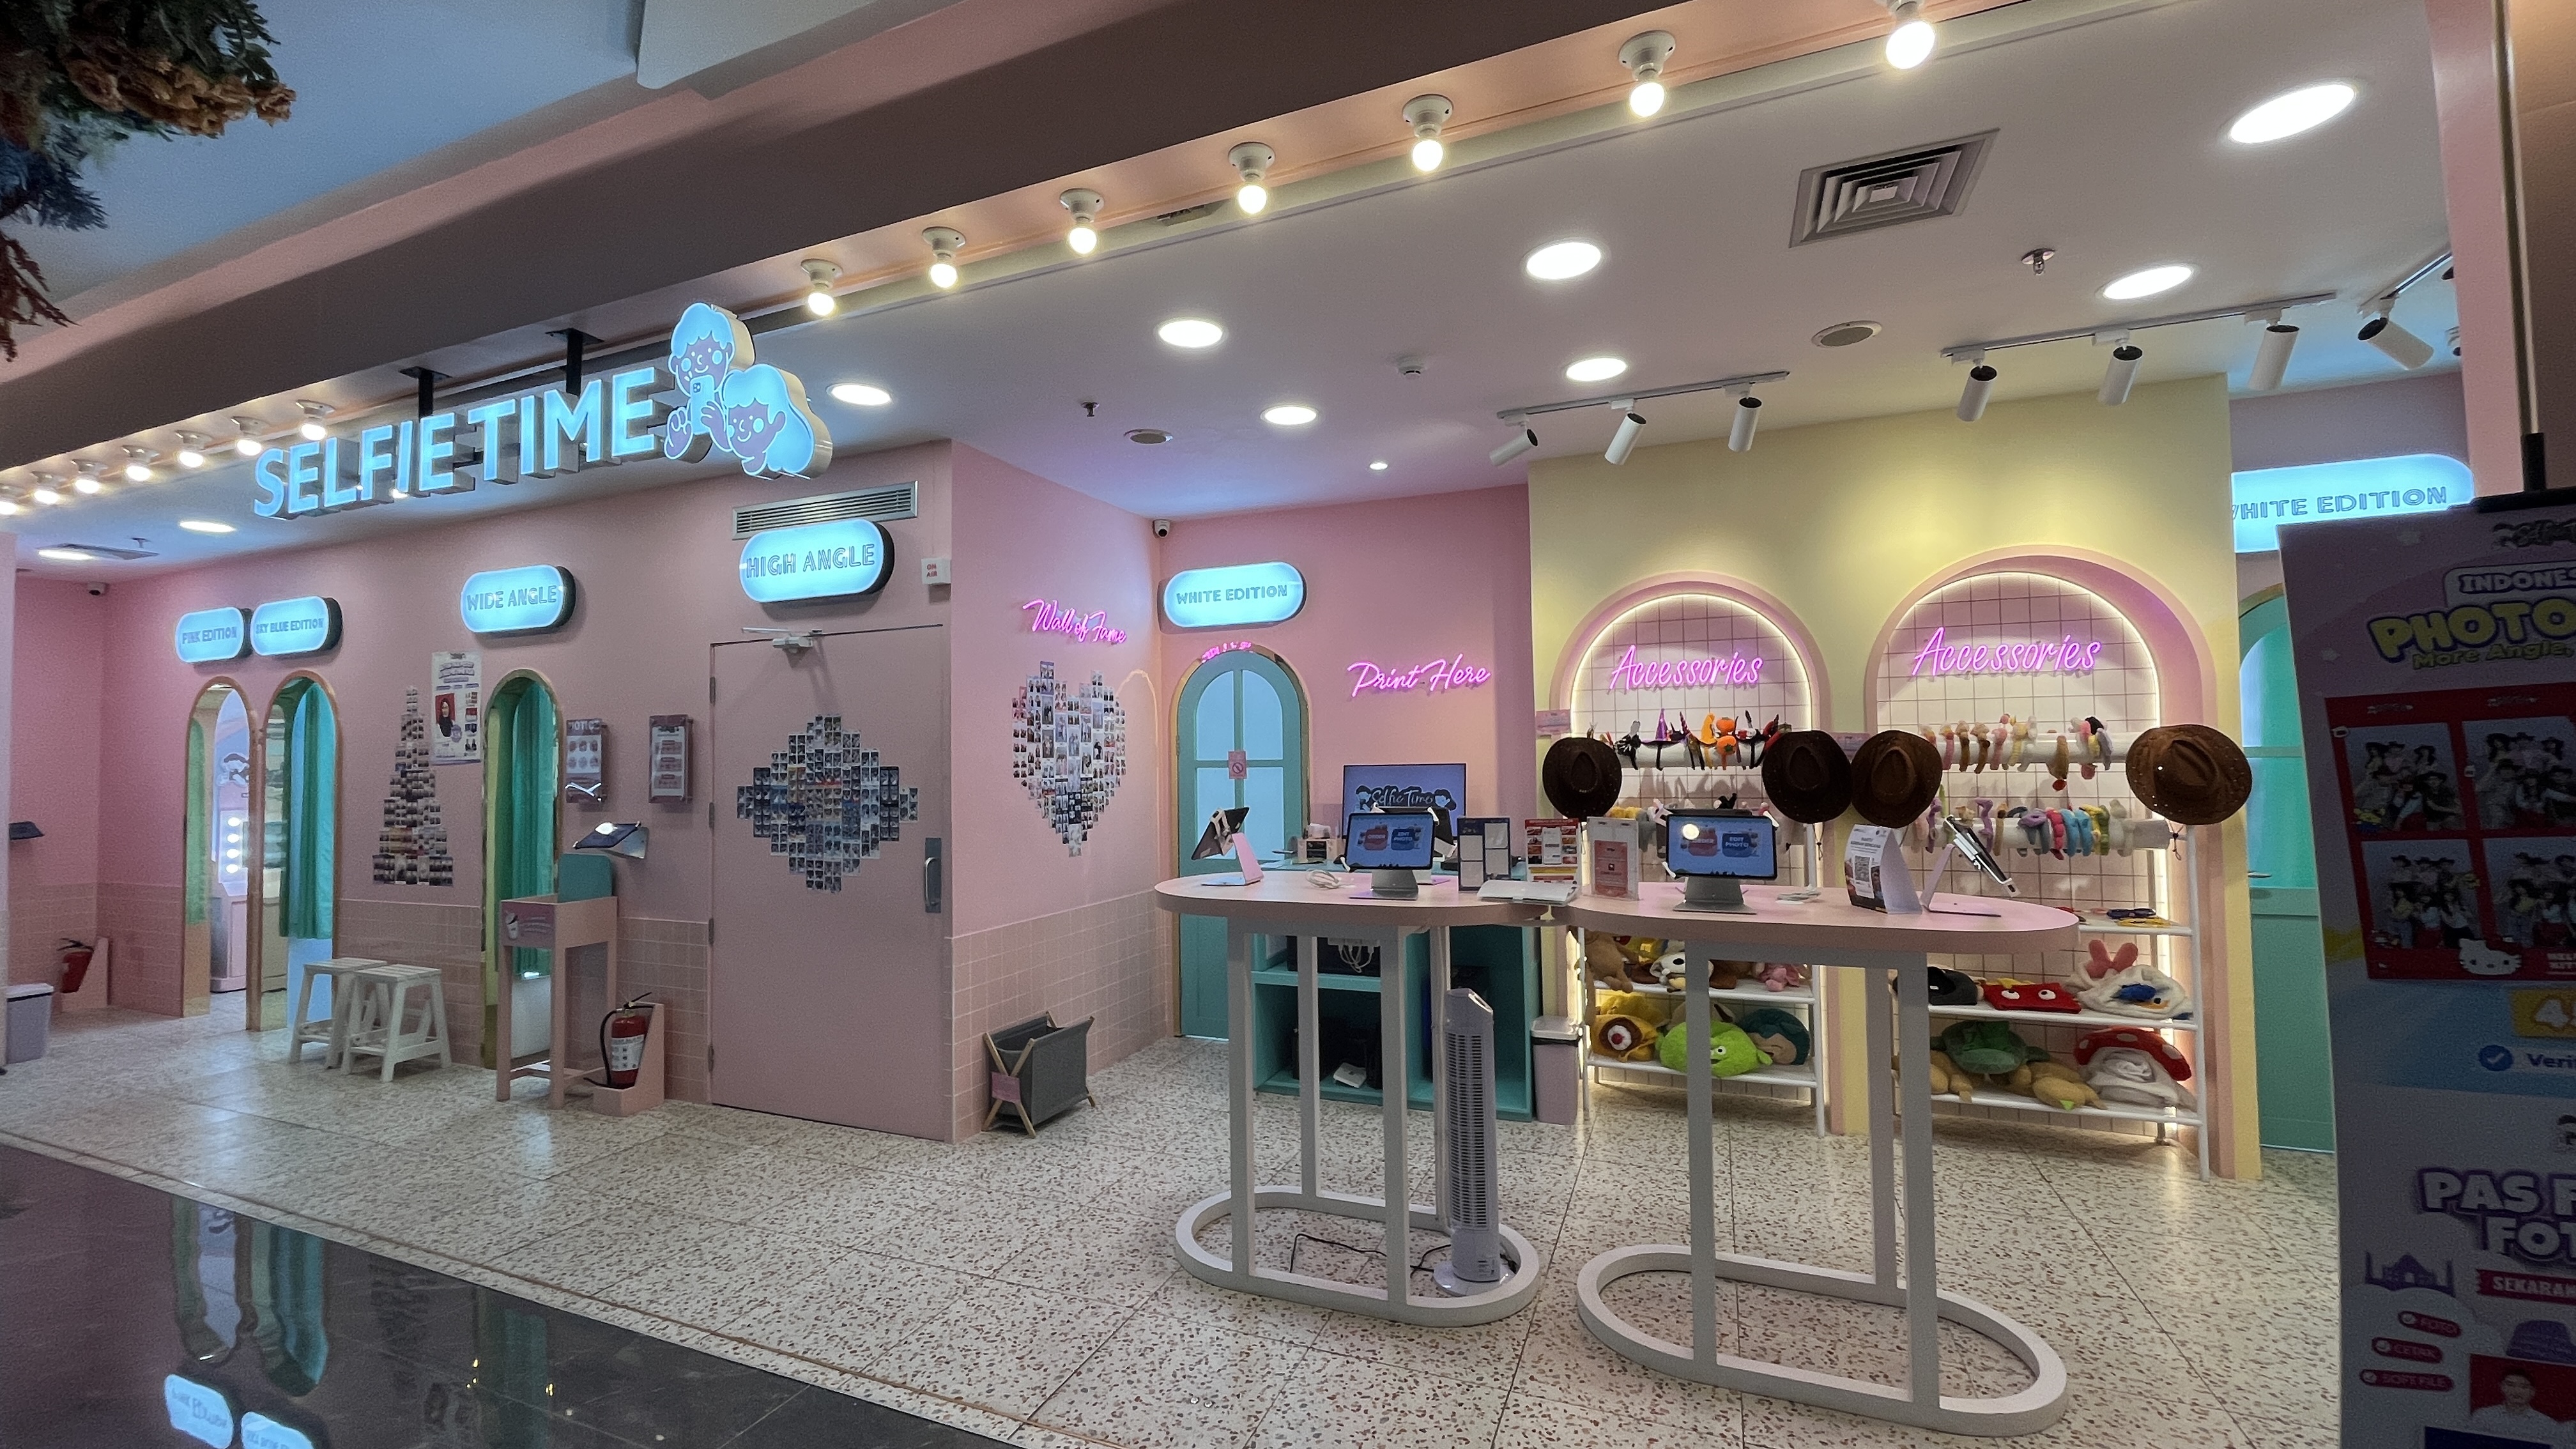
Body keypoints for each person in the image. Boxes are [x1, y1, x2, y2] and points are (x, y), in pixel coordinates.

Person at [2467, 1368, 2575, 1447]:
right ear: (2502, 1387)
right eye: (2511, 1385)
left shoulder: (2547, 1424)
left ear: (2532, 1392)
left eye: (2524, 1387)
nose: (2517, 1391)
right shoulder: (2483, 1416)